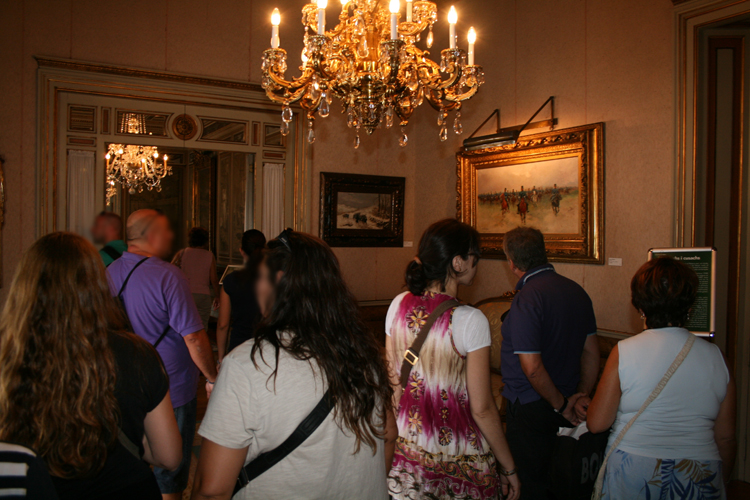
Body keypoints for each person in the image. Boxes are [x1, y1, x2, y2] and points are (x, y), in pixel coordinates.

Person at [192, 230, 396, 500]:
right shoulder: (364, 353)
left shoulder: (246, 364)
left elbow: (211, 490)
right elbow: (388, 435)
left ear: (277, 281)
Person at [0, 232, 182, 500]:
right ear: (95, 284)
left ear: (24, 286)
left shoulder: (7, 355)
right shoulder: (136, 354)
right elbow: (169, 456)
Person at [386, 219, 520, 500]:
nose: (476, 263)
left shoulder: (398, 304)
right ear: (458, 262)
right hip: (458, 457)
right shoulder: (470, 320)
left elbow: (393, 381)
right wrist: (508, 466)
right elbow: (482, 408)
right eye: (475, 256)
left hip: (406, 453)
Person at [582, 257, 736, 499]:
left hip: (634, 469)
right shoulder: (717, 358)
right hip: (698, 470)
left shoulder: (624, 352)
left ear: (640, 307)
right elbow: (726, 437)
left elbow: (597, 423)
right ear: (689, 306)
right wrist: (722, 480)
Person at [108, 210, 218, 500]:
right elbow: (193, 337)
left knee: (129, 459)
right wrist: (212, 377)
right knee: (170, 471)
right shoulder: (168, 275)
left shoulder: (107, 273)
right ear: (152, 235)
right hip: (171, 385)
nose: (170, 236)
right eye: (165, 230)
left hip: (122, 382)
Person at [500, 226, 599, 500]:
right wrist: (581, 396)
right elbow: (592, 353)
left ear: (512, 262)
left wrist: (563, 405)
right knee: (560, 484)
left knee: (529, 486)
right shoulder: (577, 291)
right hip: (566, 401)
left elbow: (532, 368)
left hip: (531, 409)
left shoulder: (528, 298)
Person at [216, 229, 266, 362]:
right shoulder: (273, 279)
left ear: (241, 251)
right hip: (266, 346)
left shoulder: (231, 281)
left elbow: (223, 324)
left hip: (239, 345)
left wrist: (221, 358)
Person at [172, 227, 220, 330]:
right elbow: (214, 279)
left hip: (185, 294)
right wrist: (217, 296)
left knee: (185, 324)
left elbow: (170, 271)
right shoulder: (209, 255)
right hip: (203, 295)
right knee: (202, 325)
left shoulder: (182, 253)